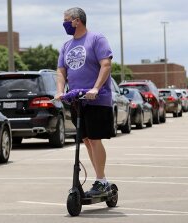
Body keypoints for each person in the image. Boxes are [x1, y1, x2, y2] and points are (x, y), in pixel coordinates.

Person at [55, 7, 114, 197]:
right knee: (87, 141)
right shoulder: (66, 46)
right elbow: (61, 71)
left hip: (96, 99)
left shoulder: (96, 39)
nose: (64, 24)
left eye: (66, 20)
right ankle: (99, 179)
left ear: (77, 20)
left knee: (95, 139)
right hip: (77, 100)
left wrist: (95, 88)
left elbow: (106, 64)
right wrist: (60, 91)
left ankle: (101, 180)